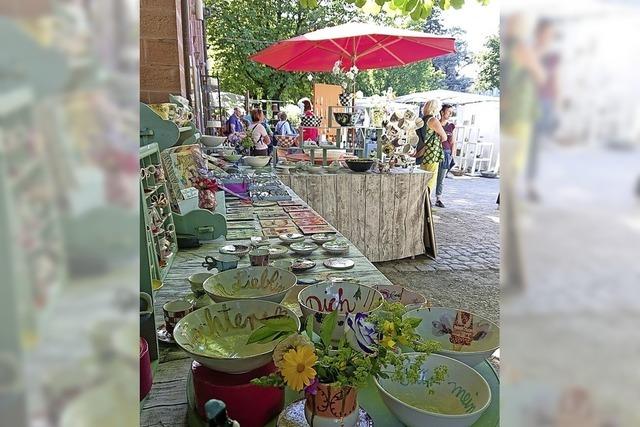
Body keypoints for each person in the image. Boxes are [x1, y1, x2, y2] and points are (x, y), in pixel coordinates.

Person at [414, 99, 447, 201]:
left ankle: (422, 201)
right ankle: (426, 203)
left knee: (423, 178)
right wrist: (437, 135)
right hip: (432, 153)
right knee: (430, 179)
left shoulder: (421, 120)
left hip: (422, 152)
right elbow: (444, 137)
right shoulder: (433, 120)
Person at [434, 104, 455, 208]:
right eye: (449, 112)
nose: (451, 114)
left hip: (446, 153)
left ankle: (438, 198)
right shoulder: (435, 123)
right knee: (432, 175)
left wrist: (452, 154)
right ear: (442, 112)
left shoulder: (451, 126)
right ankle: (426, 197)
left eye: (451, 112)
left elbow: (452, 142)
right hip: (434, 152)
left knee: (441, 178)